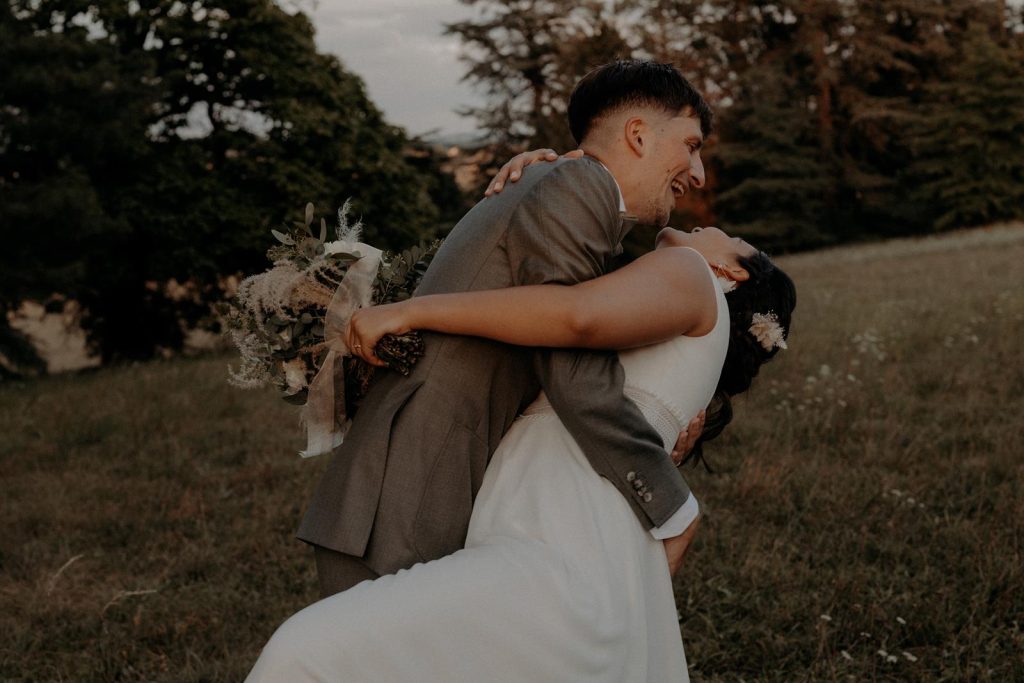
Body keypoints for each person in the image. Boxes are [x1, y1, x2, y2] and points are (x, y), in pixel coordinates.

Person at [247, 225, 796, 681]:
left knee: (304, 655)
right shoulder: (664, 331)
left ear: (733, 272)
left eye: (731, 236)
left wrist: (411, 312)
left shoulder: (692, 274)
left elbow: (572, 313)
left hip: (550, 566)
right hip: (561, 568)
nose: (709, 224)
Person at [298, 60, 715, 598]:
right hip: (413, 488)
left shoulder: (561, 185)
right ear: (637, 134)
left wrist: (660, 421)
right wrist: (669, 501)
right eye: (691, 145)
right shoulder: (579, 185)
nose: (698, 173)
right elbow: (573, 364)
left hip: (414, 483)